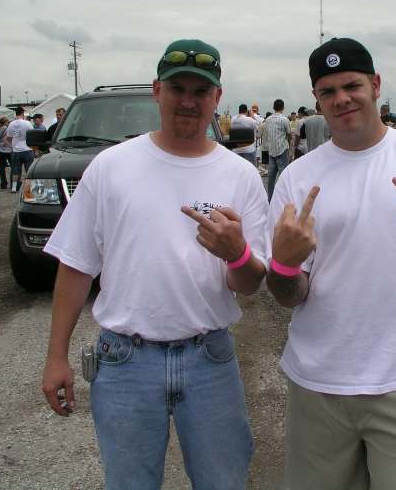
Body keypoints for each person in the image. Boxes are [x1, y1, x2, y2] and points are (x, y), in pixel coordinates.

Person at [40, 38, 267, 490]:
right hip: (124, 362)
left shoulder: (240, 175)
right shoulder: (110, 167)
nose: (189, 101)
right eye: (177, 88)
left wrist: (236, 253)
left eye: (201, 91)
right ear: (157, 91)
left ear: (217, 98)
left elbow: (250, 283)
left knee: (224, 481)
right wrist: (55, 356)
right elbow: (77, 266)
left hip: (210, 360)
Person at [266, 37, 396, 490]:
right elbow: (290, 296)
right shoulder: (297, 178)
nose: (341, 99)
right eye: (328, 91)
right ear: (317, 100)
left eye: (352, 86)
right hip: (319, 382)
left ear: (376, 85)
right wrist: (283, 266)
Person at [260, 98, 292, 201]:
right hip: (282, 150)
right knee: (284, 178)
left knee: (271, 179)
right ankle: (284, 199)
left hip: (271, 152)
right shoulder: (285, 120)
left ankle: (270, 200)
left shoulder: (268, 120)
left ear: (273, 108)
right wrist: (290, 149)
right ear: (283, 108)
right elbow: (289, 135)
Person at [6, 107, 34, 193]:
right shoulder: (27, 123)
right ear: (22, 113)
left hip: (16, 151)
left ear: (16, 113)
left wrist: (12, 146)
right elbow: (33, 134)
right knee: (28, 170)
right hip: (27, 149)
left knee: (15, 170)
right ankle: (29, 188)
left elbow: (8, 137)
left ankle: (14, 187)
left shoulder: (11, 124)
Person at [0, 116, 13, 190]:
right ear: (5, 122)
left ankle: (3, 183)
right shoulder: (7, 129)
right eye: (7, 122)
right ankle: (13, 183)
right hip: (8, 149)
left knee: (2, 167)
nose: (8, 123)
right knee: (12, 166)